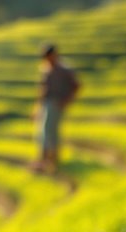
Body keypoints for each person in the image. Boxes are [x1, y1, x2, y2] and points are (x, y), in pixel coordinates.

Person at [33, 44, 80, 174]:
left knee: (50, 132)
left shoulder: (64, 69)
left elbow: (76, 85)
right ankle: (45, 160)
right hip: (47, 104)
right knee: (43, 132)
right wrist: (37, 107)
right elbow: (43, 90)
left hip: (56, 104)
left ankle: (51, 161)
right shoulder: (47, 69)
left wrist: (66, 102)